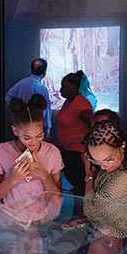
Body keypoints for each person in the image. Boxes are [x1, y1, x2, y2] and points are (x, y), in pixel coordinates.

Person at [0, 94, 63, 215]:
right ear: (15, 131)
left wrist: (44, 175)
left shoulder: (52, 153)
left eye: (39, 136)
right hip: (9, 220)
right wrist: (13, 178)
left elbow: (57, 200)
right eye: (27, 138)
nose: (34, 143)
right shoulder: (1, 152)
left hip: (40, 219)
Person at [81, 121, 127, 238]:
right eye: (96, 160)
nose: (103, 166)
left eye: (108, 159)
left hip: (121, 238)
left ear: (122, 145)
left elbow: (92, 213)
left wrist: (89, 176)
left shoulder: (125, 178)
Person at [55, 71, 94, 206]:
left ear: (73, 87)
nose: (61, 90)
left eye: (64, 86)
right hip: (68, 149)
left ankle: (82, 214)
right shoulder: (68, 102)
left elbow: (92, 123)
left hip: (78, 150)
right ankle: (79, 212)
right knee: (74, 181)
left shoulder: (81, 103)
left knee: (78, 183)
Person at [5, 58, 52, 137]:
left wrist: (17, 111)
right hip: (36, 127)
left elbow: (8, 96)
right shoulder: (41, 88)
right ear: (44, 71)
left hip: (21, 125)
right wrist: (47, 131)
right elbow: (47, 113)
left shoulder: (22, 83)